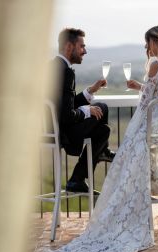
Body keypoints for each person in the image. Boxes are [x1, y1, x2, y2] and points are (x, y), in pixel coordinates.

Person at [43, 25, 158, 252]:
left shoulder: (154, 65)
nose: (146, 47)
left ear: (157, 42)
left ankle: (90, 169)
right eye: (82, 46)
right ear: (70, 46)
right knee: (104, 124)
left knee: (118, 138)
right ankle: (89, 167)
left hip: (153, 124)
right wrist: (88, 104)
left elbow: (146, 103)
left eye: (148, 42)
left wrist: (133, 126)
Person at [52, 28, 116, 193]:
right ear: (68, 46)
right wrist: (87, 111)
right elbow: (66, 115)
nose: (85, 51)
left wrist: (90, 91)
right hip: (64, 133)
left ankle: (79, 178)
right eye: (82, 46)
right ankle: (80, 175)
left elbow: (64, 105)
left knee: (103, 125)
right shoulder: (65, 71)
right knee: (102, 120)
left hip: (52, 129)